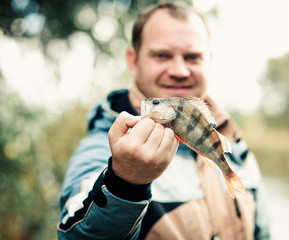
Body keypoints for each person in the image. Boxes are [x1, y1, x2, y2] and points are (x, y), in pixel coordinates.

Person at [57, 1, 270, 239]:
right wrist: (125, 182)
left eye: (192, 57)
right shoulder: (103, 149)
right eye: (161, 55)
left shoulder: (235, 143)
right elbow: (75, 235)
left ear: (208, 62)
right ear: (133, 61)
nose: (179, 70)